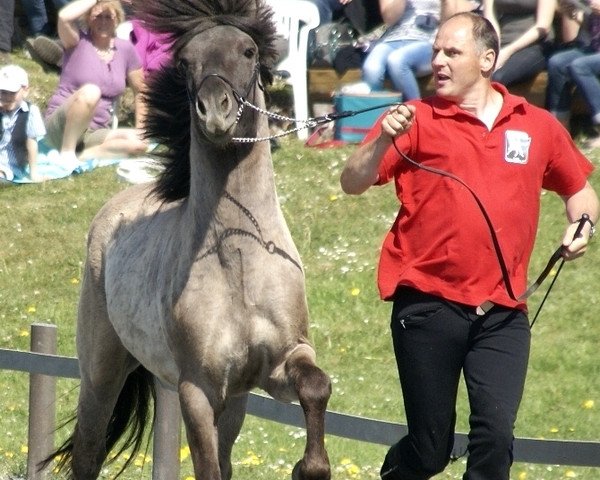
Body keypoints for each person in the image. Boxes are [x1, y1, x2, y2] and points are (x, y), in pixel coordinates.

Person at [340, 11, 599, 480]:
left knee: (496, 438)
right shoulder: (414, 118)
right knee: (430, 448)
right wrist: (382, 143)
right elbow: (352, 182)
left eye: (450, 52)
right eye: (436, 50)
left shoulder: (535, 124)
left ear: (487, 59)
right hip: (426, 305)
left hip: (502, 313)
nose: (436, 60)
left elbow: (580, 192)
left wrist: (582, 225)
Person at [44, 0, 147, 164]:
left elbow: (141, 90)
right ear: (88, 19)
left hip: (94, 132)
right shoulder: (76, 42)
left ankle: (85, 155)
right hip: (61, 128)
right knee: (91, 91)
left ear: (117, 19)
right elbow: (64, 17)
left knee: (139, 144)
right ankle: (67, 154)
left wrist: (142, 129)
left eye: (109, 17)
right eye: (98, 16)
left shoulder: (126, 49)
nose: (104, 22)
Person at [361, 0, 441, 100]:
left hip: (428, 40)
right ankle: (374, 113)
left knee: (397, 60)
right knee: (371, 67)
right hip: (393, 38)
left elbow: (455, 15)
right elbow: (389, 19)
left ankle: (414, 111)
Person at [546, 0, 600, 145]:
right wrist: (574, 13)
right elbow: (592, 29)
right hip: (594, 48)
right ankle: (560, 130)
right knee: (557, 63)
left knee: (580, 66)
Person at [483, 0, 556, 86]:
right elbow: (490, 16)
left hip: (534, 44)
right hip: (500, 39)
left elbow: (543, 26)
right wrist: (496, 46)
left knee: (497, 77)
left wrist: (507, 52)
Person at [0, 65, 47, 182]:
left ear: (25, 91)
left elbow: (32, 143)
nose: (6, 97)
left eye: (12, 93)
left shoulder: (30, 112)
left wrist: (34, 173)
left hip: (9, 164)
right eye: (3, 92)